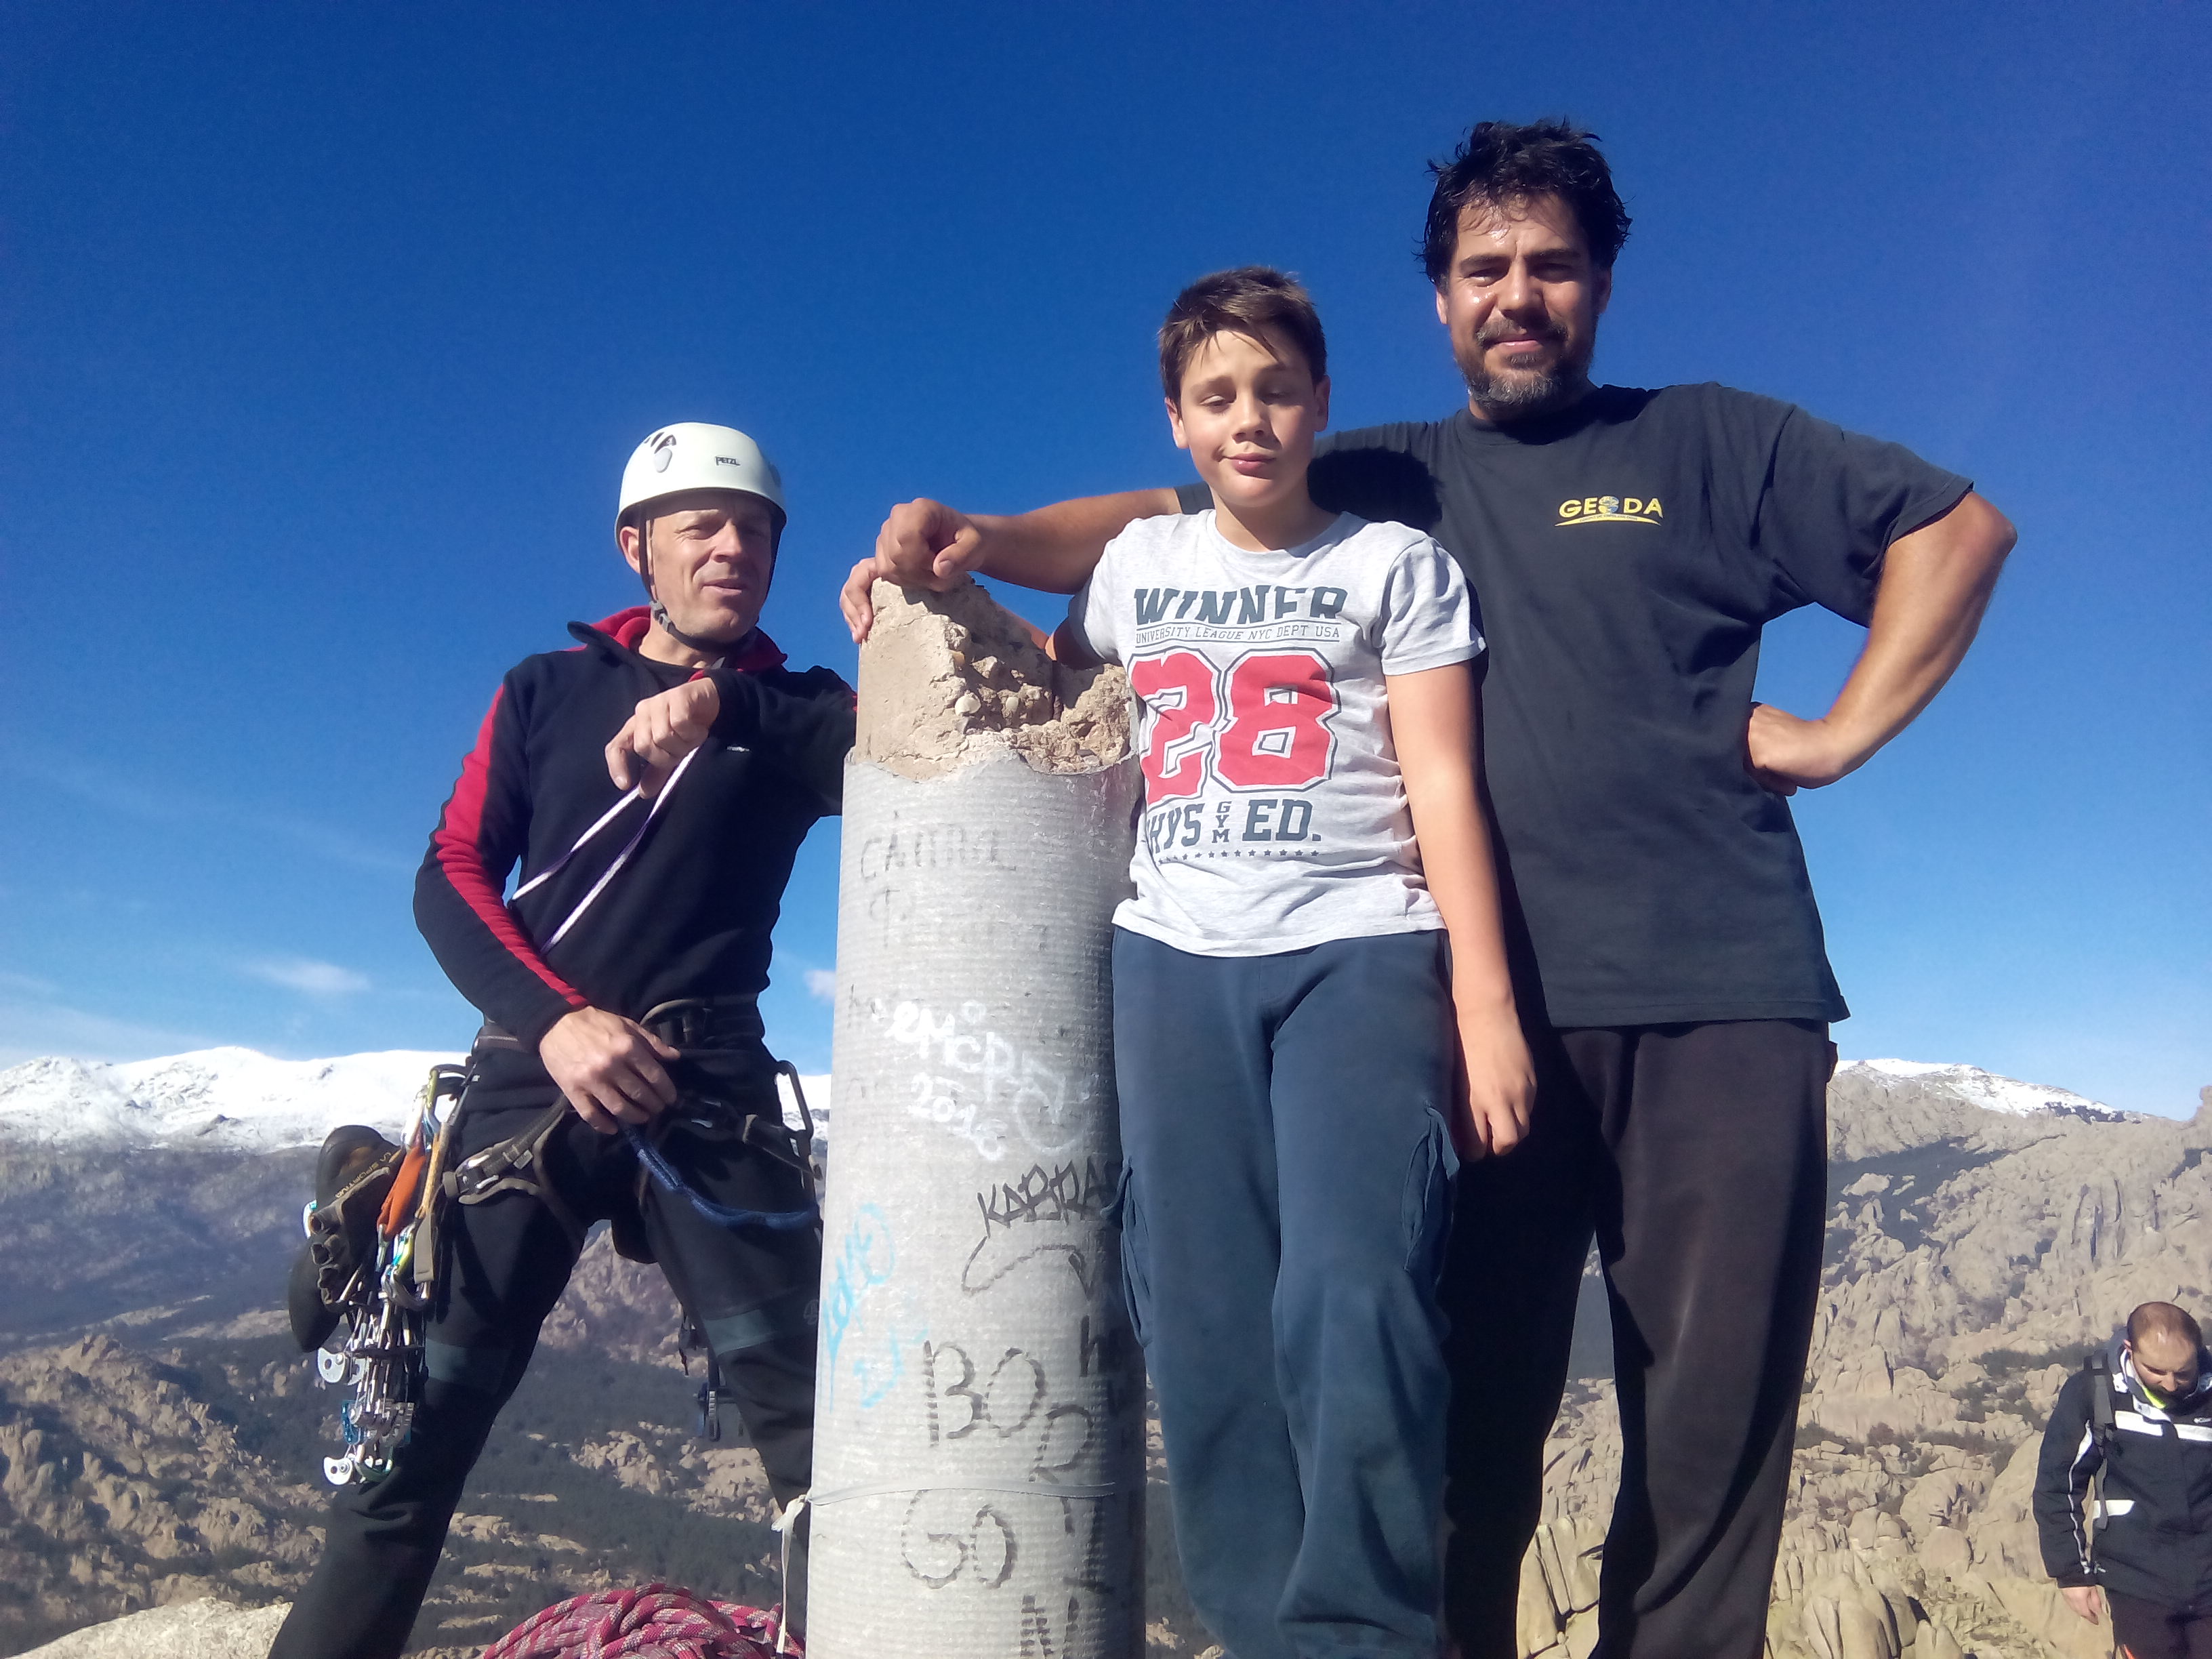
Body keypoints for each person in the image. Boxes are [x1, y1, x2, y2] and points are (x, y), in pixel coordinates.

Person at [842, 122, 2017, 1659]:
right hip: (1467, 1015)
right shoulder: (1387, 477)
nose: (1516, 294)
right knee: (1452, 1425)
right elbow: (1154, 520)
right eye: (1483, 268)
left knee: (1707, 1440)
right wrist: (981, 540)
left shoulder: (1710, 442)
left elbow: (1954, 528)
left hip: (1718, 997)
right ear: (1440, 298)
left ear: (1600, 284)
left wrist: (1842, 730)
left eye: (1550, 265)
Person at [272, 423, 854, 1659]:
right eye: (701, 525)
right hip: (534, 1076)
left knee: (828, 1458)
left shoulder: (798, 709)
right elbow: (451, 870)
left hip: (706, 1083)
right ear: (636, 547)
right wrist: (559, 1023)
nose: (735, 547)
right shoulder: (547, 689)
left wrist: (723, 701)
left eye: (756, 529)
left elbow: (882, 760)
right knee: (408, 1459)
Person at [1041, 267, 1532, 1657]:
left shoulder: (1393, 567)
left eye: (1274, 389)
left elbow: (1443, 785)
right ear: (1176, 422)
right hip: (1171, 960)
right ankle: (1260, 1634)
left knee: (1353, 1288)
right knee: (1201, 1314)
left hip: (1358, 949)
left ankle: (1363, 1630)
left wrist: (1484, 1005)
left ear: (1321, 400)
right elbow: (1041, 682)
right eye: (1216, 397)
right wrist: (911, 582)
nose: (1247, 419)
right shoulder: (1135, 569)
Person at [2035, 1302, 2212, 1659]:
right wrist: (2072, 1574)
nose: (2170, 1383)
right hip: (2136, 1581)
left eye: (2182, 1373)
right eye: (2156, 1371)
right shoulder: (2096, 1392)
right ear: (2130, 1350)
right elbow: (2059, 1484)